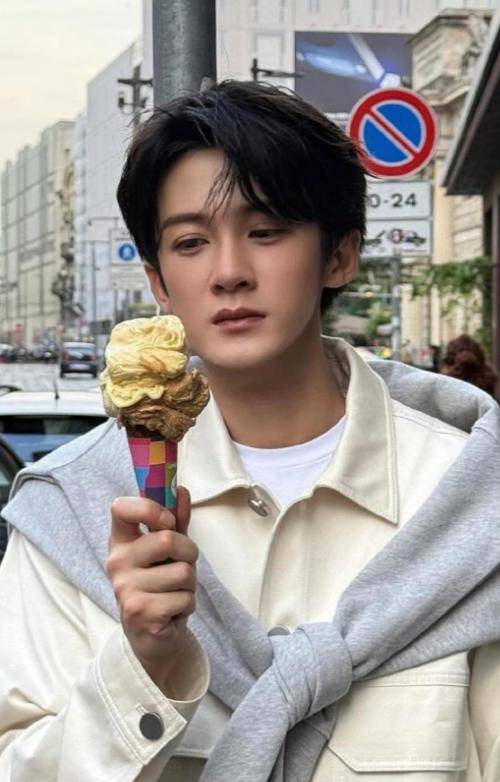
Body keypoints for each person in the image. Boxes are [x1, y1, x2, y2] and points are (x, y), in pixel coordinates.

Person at [0, 80, 500, 782]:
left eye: (265, 232)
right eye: (191, 242)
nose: (229, 273)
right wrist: (142, 666)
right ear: (159, 282)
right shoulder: (75, 512)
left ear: (340, 254)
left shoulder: (469, 498)